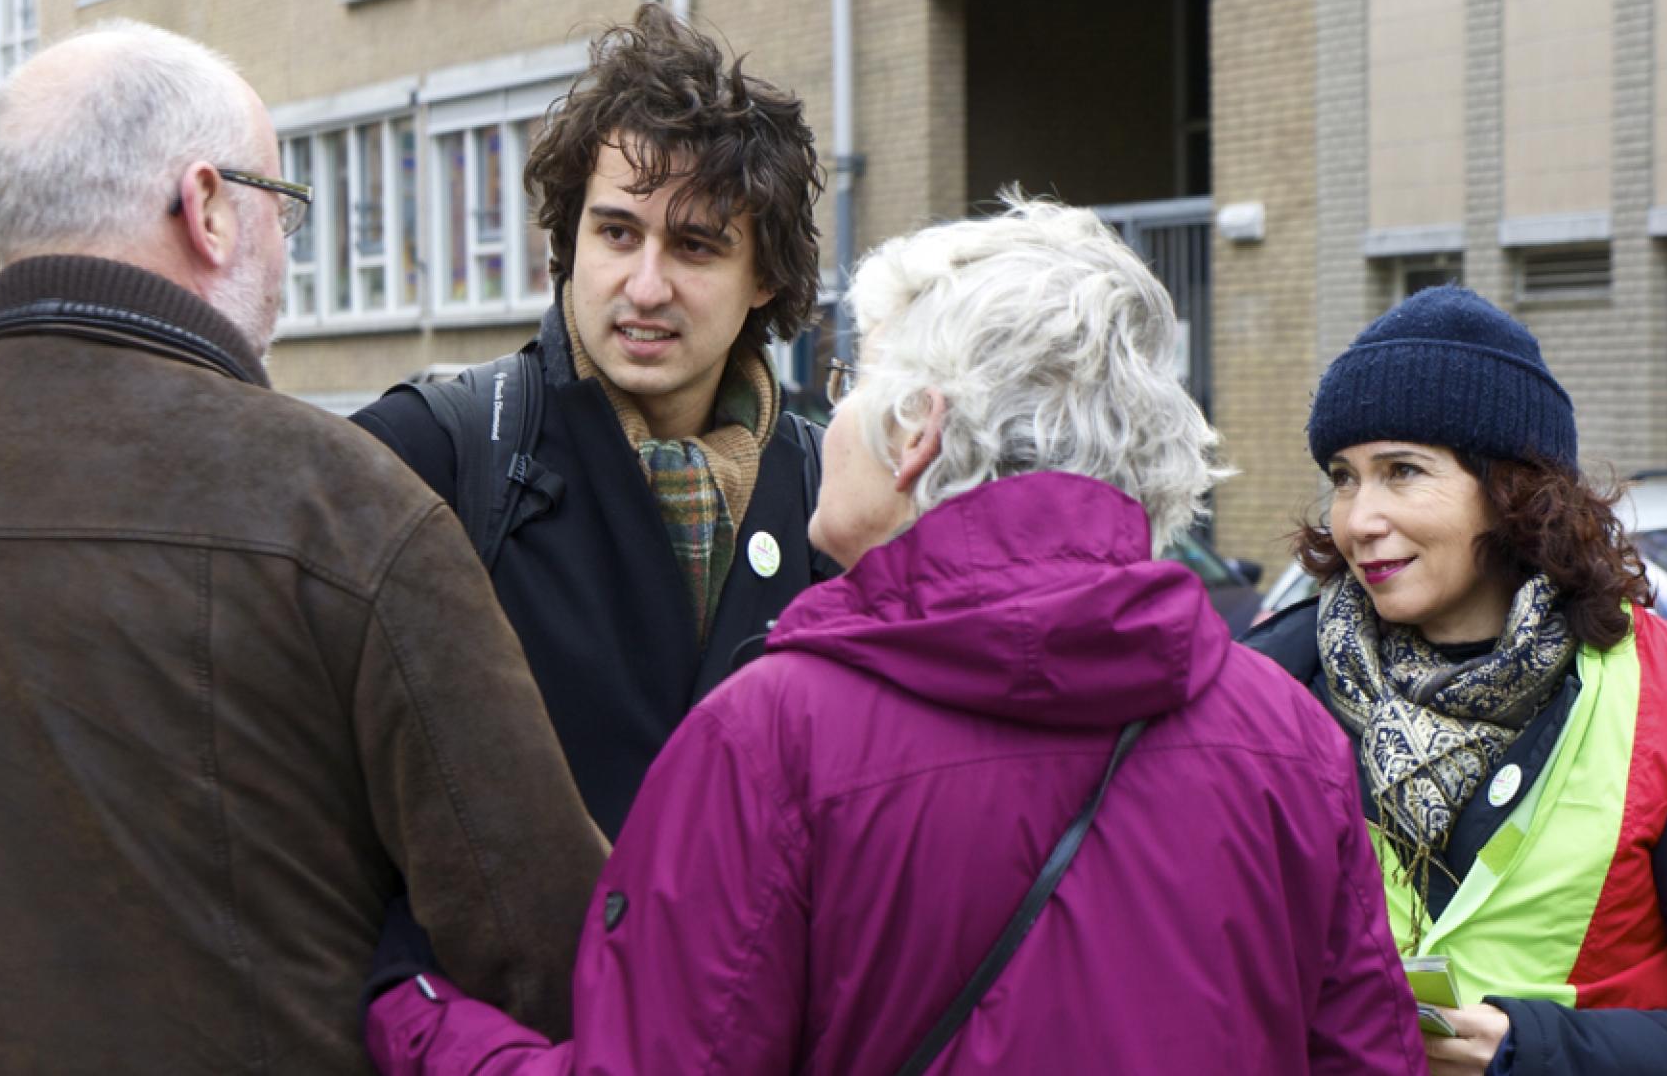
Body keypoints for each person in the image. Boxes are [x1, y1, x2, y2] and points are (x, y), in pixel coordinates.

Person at [362, 197, 1429, 1074]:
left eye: (851, 380)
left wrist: (417, 1019)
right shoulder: (1286, 735)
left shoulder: (773, 735)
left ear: (917, 434)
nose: (830, 416)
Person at [0, 22, 603, 1073]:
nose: (286, 244)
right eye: (280, 206)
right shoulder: (351, 507)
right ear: (207, 208)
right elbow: (552, 945)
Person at [350, 3, 834, 840]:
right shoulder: (434, 449)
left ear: (765, 276)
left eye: (695, 245)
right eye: (617, 232)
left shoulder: (827, 496)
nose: (645, 287)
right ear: (569, 246)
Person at [1245, 286, 1667, 1075]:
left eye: (1402, 471)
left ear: (1515, 491)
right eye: (1344, 476)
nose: (1359, 519)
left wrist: (1531, 1051)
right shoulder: (1266, 691)